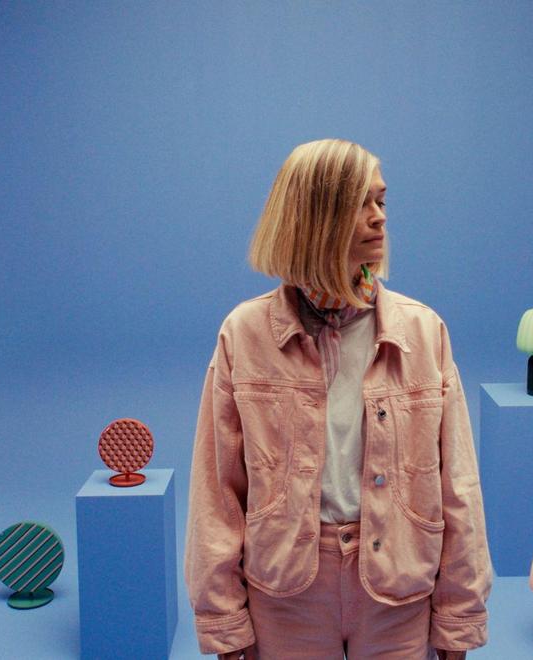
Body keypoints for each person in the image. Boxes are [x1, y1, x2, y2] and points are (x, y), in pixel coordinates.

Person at [185, 139, 492, 660]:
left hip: (400, 586)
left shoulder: (422, 332)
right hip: (287, 593)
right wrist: (223, 621)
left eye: (382, 201)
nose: (379, 217)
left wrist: (459, 615)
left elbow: (458, 485)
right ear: (314, 215)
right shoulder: (245, 334)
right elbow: (217, 492)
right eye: (360, 203)